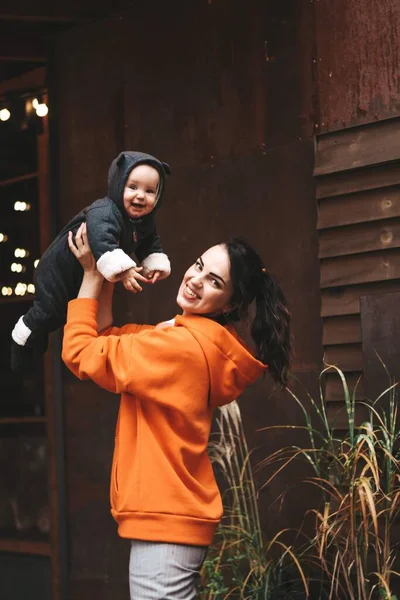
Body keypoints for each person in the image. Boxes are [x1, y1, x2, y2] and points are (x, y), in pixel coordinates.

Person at [62, 224, 292, 600]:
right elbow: (106, 336)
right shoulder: (193, 342)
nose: (195, 280)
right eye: (199, 265)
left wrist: (90, 274)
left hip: (166, 523)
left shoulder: (181, 348)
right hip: (172, 519)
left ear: (231, 304)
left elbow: (80, 352)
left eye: (214, 281)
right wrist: (107, 270)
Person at [11, 151, 171, 373]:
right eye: (132, 187)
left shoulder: (143, 222)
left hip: (85, 270)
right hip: (58, 270)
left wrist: (152, 263)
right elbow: (102, 240)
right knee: (49, 310)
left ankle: (38, 334)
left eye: (150, 191)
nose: (141, 196)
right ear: (117, 184)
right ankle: (21, 337)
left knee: (66, 314)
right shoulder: (105, 211)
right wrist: (124, 270)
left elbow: (149, 242)